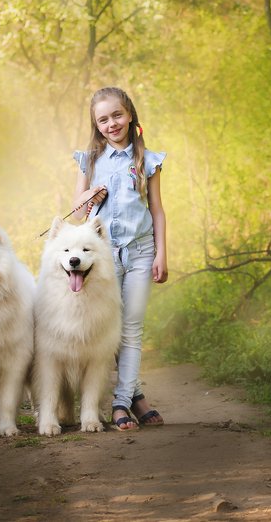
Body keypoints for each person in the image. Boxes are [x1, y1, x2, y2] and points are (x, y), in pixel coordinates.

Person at [72, 86, 167, 431]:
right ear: (96, 125)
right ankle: (136, 396)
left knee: (132, 328)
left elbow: (156, 211)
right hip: (104, 258)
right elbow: (77, 212)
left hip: (142, 253)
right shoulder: (90, 160)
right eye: (103, 119)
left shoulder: (148, 160)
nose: (111, 123)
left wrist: (161, 254)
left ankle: (120, 403)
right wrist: (90, 195)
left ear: (130, 115)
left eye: (117, 115)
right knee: (112, 329)